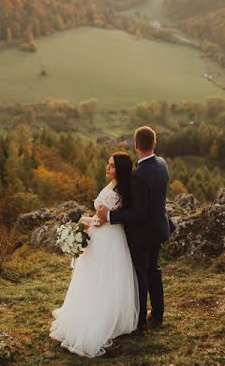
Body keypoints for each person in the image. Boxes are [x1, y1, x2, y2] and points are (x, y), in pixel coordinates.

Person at [49, 152, 139, 357]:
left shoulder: (119, 191)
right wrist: (87, 221)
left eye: (112, 166)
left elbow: (105, 218)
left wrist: (91, 221)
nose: (107, 168)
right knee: (97, 277)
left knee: (102, 278)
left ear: (121, 169)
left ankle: (99, 321)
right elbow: (101, 218)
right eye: (108, 164)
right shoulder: (115, 186)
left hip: (108, 239)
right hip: (105, 237)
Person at [96, 126, 172, 332]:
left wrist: (109, 216)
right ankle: (157, 314)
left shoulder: (138, 175)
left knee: (140, 275)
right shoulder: (162, 164)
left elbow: (138, 212)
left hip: (142, 233)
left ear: (136, 145)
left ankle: (140, 322)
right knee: (154, 270)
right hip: (159, 228)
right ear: (154, 143)